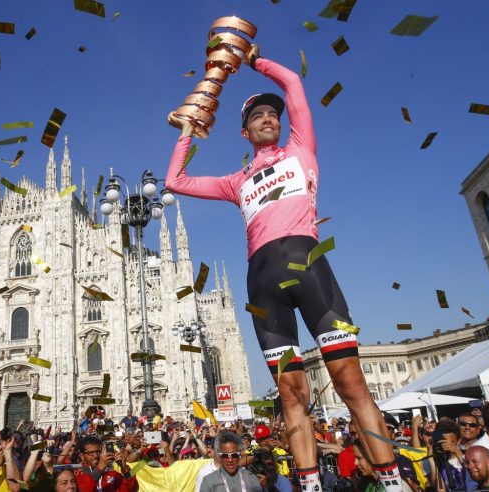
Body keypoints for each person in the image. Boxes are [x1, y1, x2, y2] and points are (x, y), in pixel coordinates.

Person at [166, 42, 402, 492]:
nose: (268, 118)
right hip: (262, 283)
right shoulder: (237, 181)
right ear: (244, 132)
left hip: (310, 269)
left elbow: (292, 83)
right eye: (257, 116)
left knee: (351, 385)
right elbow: (175, 181)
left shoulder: (301, 150)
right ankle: (309, 484)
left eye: (272, 114)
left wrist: (252, 59)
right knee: (292, 396)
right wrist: (187, 132)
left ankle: (391, 481)